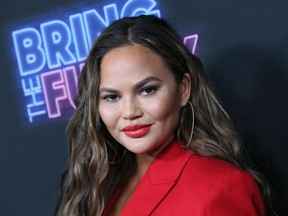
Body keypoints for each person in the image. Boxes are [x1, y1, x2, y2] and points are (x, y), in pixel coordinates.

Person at [55, 15, 277, 216]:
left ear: (183, 89)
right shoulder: (99, 188)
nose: (130, 112)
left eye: (147, 90)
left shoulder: (221, 188)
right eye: (112, 97)